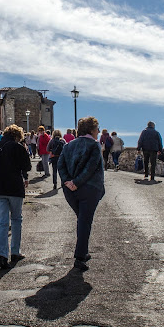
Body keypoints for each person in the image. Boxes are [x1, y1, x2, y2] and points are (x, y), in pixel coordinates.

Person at [58, 116, 105, 271]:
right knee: (85, 221)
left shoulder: (68, 145)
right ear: (92, 130)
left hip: (70, 191)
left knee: (82, 219)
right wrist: (76, 182)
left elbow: (61, 164)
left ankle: (83, 252)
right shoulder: (94, 145)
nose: (98, 131)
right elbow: (91, 167)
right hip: (89, 189)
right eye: (97, 129)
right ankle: (80, 257)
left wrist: (67, 182)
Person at [0, 124, 31, 269]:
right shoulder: (18, 147)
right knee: (16, 219)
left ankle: (1, 255)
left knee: (2, 223)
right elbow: (27, 167)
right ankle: (15, 252)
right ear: (18, 136)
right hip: (14, 188)